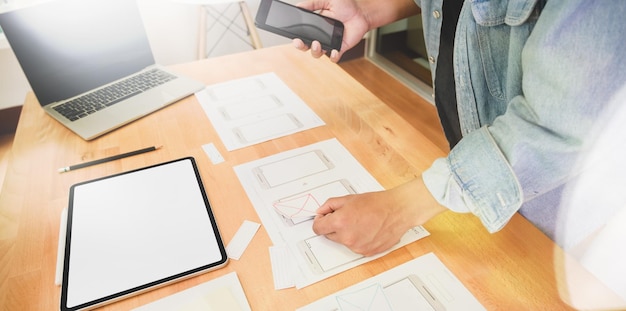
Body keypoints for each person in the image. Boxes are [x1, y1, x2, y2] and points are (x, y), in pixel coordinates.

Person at [293, 0, 626, 257]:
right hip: (475, 192)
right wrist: (366, 10)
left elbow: (561, 124)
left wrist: (398, 210)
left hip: (570, 227)